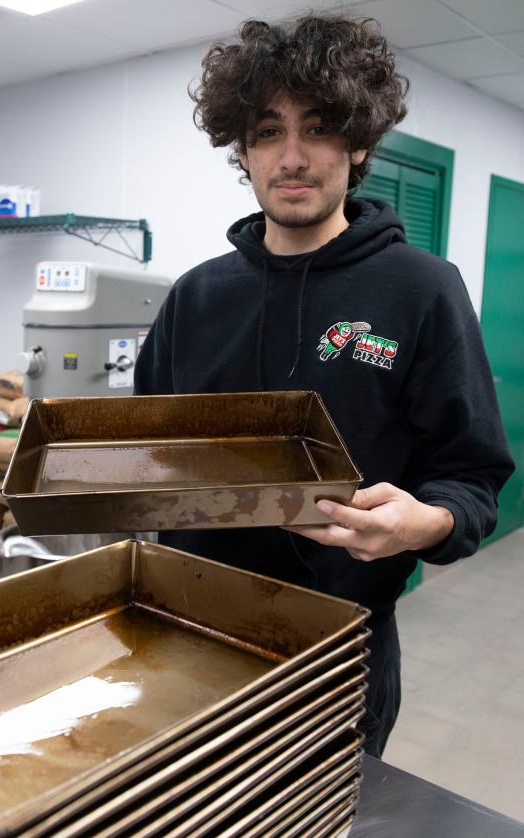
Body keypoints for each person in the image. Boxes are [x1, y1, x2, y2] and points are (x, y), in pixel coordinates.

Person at [133, 14, 515, 757]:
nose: (294, 157)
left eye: (319, 128)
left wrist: (422, 524)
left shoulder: (422, 291)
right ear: (242, 149)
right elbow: (145, 451)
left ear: (360, 140)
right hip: (190, 634)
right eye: (268, 131)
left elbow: (473, 482)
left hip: (340, 653)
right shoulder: (195, 296)